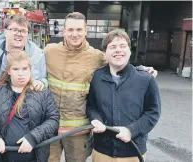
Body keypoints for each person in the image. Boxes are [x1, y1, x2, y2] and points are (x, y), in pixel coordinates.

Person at [45, 12, 158, 162]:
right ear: (64, 31)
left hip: (78, 131)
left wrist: (141, 70)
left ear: (86, 30)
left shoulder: (97, 56)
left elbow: (119, 58)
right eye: (70, 30)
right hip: (50, 127)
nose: (75, 34)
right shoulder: (49, 52)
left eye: (79, 30)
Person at [86, 29, 161, 162]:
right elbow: (91, 106)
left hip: (133, 152)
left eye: (122, 46)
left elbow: (153, 112)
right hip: (102, 151)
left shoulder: (145, 79)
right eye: (112, 47)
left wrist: (131, 131)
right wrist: (96, 119)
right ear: (104, 53)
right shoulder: (97, 77)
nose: (118, 50)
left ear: (129, 50)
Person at [0, 50, 59, 162]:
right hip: (0, 157)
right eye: (15, 69)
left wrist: (33, 137)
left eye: (25, 68)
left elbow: (53, 119)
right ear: (8, 71)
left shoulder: (42, 93)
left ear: (30, 69)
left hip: (34, 157)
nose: (20, 73)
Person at [0, 14, 47, 91]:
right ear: (5, 32)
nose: (19, 34)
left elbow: (44, 79)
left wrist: (41, 83)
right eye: (15, 30)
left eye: (23, 31)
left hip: (24, 100)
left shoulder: (37, 55)